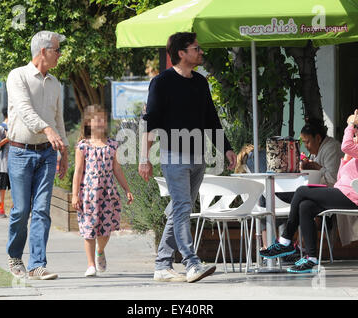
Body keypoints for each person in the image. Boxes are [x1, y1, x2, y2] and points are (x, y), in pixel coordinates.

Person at [139, 32, 236, 283]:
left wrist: (226, 147)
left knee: (179, 210)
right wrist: (144, 158)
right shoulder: (161, 82)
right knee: (182, 207)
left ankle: (162, 265)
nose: (201, 52)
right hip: (174, 155)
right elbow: (151, 122)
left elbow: (211, 119)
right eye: (196, 48)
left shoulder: (200, 82)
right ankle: (191, 263)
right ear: (181, 53)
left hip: (197, 156)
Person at [260, 110, 358, 273]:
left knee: (301, 191)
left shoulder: (348, 146)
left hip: (351, 196)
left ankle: (285, 241)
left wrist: (350, 125)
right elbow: (342, 176)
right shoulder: (352, 156)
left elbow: (346, 145)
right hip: (343, 193)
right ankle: (311, 258)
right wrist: (347, 158)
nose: (353, 135)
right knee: (305, 206)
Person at [6, 31, 69, 280]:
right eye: (56, 50)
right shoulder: (17, 76)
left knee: (42, 210)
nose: (60, 54)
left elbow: (59, 120)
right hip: (20, 152)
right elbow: (24, 110)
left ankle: (37, 264)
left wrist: (63, 151)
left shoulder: (55, 83)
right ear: (43, 51)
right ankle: (14, 256)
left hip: (47, 154)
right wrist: (47, 129)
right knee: (21, 210)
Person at [72, 104, 134, 277]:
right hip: (88, 195)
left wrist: (127, 189)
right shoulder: (82, 147)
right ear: (88, 123)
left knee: (105, 230)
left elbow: (118, 170)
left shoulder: (113, 145)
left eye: (103, 119)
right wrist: (75, 195)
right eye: (97, 119)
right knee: (89, 229)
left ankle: (100, 250)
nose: (101, 123)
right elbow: (77, 172)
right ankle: (91, 264)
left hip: (108, 193)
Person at [300, 118, 343, 187]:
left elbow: (333, 180)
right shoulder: (317, 149)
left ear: (318, 138)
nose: (305, 146)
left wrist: (316, 167)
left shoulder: (332, 148)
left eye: (307, 142)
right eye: (304, 142)